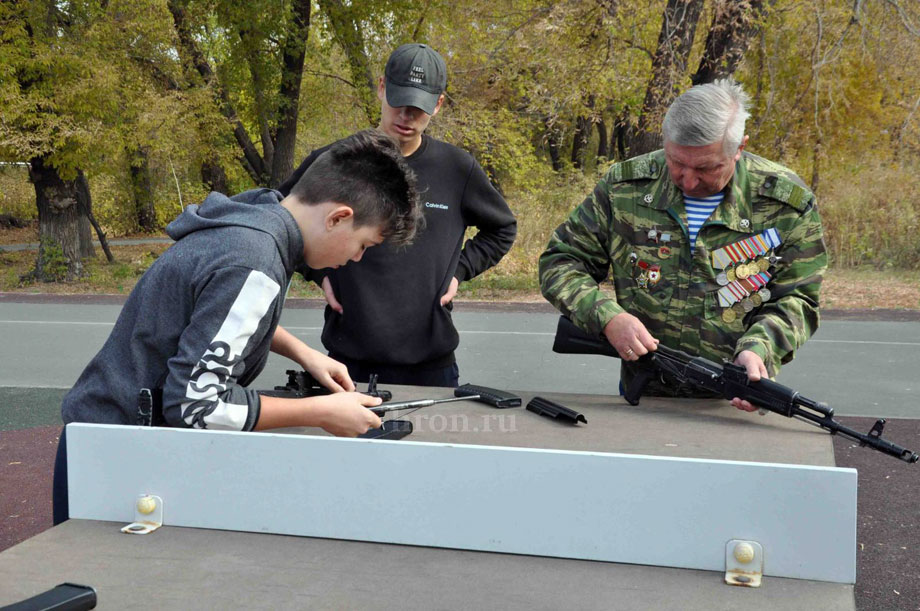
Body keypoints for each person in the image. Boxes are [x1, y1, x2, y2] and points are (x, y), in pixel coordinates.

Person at [55, 130, 421, 522]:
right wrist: (321, 412)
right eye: (364, 244)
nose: (356, 258)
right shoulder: (254, 261)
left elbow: (207, 314)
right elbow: (196, 404)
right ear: (338, 217)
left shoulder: (256, 217)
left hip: (102, 440)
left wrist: (304, 353)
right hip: (112, 459)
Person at [539, 79, 827, 411]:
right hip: (642, 393)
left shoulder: (785, 204)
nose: (688, 181)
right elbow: (561, 261)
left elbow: (798, 298)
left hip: (735, 399)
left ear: (740, 148)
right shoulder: (625, 188)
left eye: (707, 168)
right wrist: (606, 317)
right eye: (676, 162)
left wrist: (759, 348)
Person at [278, 43, 517, 388]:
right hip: (348, 362)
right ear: (380, 88)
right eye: (398, 100)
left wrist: (458, 271)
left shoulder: (457, 168)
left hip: (431, 366)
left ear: (438, 104)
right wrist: (318, 272)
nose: (406, 116)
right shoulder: (335, 161)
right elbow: (283, 219)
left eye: (418, 107)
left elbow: (503, 229)